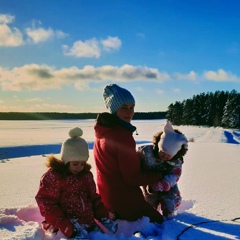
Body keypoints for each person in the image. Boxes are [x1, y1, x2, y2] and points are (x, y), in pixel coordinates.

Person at [93, 83, 164, 224]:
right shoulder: (122, 136)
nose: (129, 112)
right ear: (114, 110)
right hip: (125, 201)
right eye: (124, 108)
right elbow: (132, 177)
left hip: (106, 198)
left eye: (132, 107)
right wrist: (159, 175)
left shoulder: (103, 131)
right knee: (161, 222)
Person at [35, 127, 118, 239]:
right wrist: (64, 225)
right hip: (63, 225)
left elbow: (94, 199)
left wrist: (103, 216)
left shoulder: (86, 176)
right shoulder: (54, 177)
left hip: (87, 222)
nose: (79, 167)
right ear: (66, 160)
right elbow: (47, 203)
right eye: (75, 164)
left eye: (82, 164)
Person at [138, 121, 188, 219]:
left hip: (168, 187)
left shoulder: (176, 162)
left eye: (168, 155)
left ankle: (169, 218)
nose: (164, 156)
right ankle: (153, 218)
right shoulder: (146, 152)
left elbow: (175, 175)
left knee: (169, 200)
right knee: (150, 202)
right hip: (149, 184)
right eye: (162, 151)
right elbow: (135, 159)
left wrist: (164, 184)